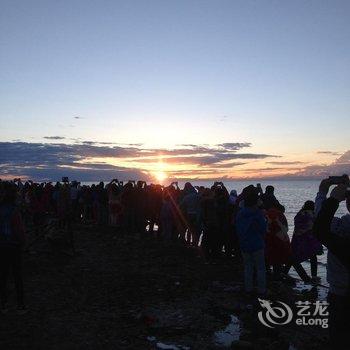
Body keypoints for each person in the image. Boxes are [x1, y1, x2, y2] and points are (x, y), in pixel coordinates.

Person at [313, 178, 350, 347]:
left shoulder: (343, 226)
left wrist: (326, 194)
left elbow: (321, 226)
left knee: (339, 335)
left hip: (340, 291)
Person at [0, 183, 27, 314]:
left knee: (3, 276)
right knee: (17, 276)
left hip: (2, 246)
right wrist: (23, 242)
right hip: (14, 246)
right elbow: (19, 230)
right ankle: (20, 305)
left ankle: (3, 304)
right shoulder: (15, 211)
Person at [236, 186, 267, 296]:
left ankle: (248, 288)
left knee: (248, 267)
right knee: (260, 268)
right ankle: (261, 290)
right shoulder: (258, 214)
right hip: (257, 243)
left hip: (244, 243)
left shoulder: (240, 213)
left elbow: (237, 228)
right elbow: (263, 228)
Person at [285, 201, 322, 282]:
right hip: (310, 239)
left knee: (293, 256)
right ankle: (314, 276)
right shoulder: (314, 214)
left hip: (299, 238)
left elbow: (297, 225)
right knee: (313, 256)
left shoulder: (300, 214)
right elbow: (317, 226)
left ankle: (284, 272)